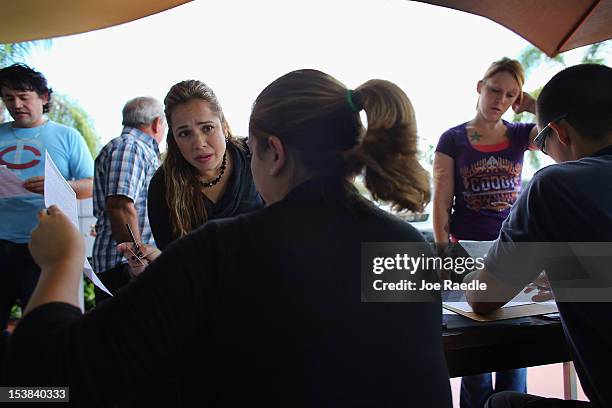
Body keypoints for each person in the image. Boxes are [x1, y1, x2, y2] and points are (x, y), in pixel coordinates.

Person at [4, 69, 452, 407]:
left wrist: (62, 260)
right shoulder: (410, 248)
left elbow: (46, 379)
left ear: (271, 152)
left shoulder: (222, 250)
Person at [461, 64, 612, 408]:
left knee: (500, 403)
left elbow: (483, 297)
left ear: (559, 134)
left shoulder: (555, 186)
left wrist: (468, 276)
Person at [432, 57, 537, 408]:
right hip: (466, 252)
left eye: (510, 95)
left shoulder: (521, 134)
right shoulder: (453, 139)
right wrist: (443, 248)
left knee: (514, 349)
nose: (500, 100)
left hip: (511, 249)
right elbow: (441, 199)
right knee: (475, 355)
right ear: (479, 87)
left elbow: (561, 133)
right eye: (494, 90)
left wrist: (534, 104)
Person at [0, 63, 93, 333]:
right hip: (1, 241)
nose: (16, 104)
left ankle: (41, 377)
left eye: (23, 96)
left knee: (43, 326)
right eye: (8, 98)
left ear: (43, 97)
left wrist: (56, 185)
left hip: (45, 245)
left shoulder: (67, 136)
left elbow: (89, 185)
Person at [147, 80, 263, 251]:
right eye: (185, 133)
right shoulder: (162, 186)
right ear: (174, 139)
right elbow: (171, 261)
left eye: (207, 128)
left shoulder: (254, 156)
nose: (199, 143)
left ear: (223, 126)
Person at [91, 97, 166, 303]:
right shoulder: (130, 147)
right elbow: (120, 206)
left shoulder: (133, 148)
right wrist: (138, 261)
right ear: (157, 123)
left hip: (126, 265)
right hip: (124, 266)